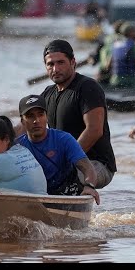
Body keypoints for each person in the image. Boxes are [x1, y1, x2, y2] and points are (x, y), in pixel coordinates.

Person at [38, 39, 116, 189]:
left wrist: (65, 161)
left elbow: (94, 130)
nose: (55, 69)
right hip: (64, 163)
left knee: (54, 179)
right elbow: (26, 125)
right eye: (50, 64)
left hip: (97, 165)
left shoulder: (87, 87)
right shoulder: (48, 94)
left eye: (61, 62)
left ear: (73, 62)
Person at [16, 95, 100, 204]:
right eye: (30, 116)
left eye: (40, 115)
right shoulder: (17, 146)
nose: (36, 121)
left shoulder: (64, 139)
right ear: (22, 121)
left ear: (47, 117)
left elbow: (88, 168)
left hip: (67, 194)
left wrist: (89, 186)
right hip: (35, 196)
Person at [109, 21, 135, 89]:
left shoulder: (115, 44)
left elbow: (109, 64)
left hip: (114, 80)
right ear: (131, 33)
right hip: (130, 81)